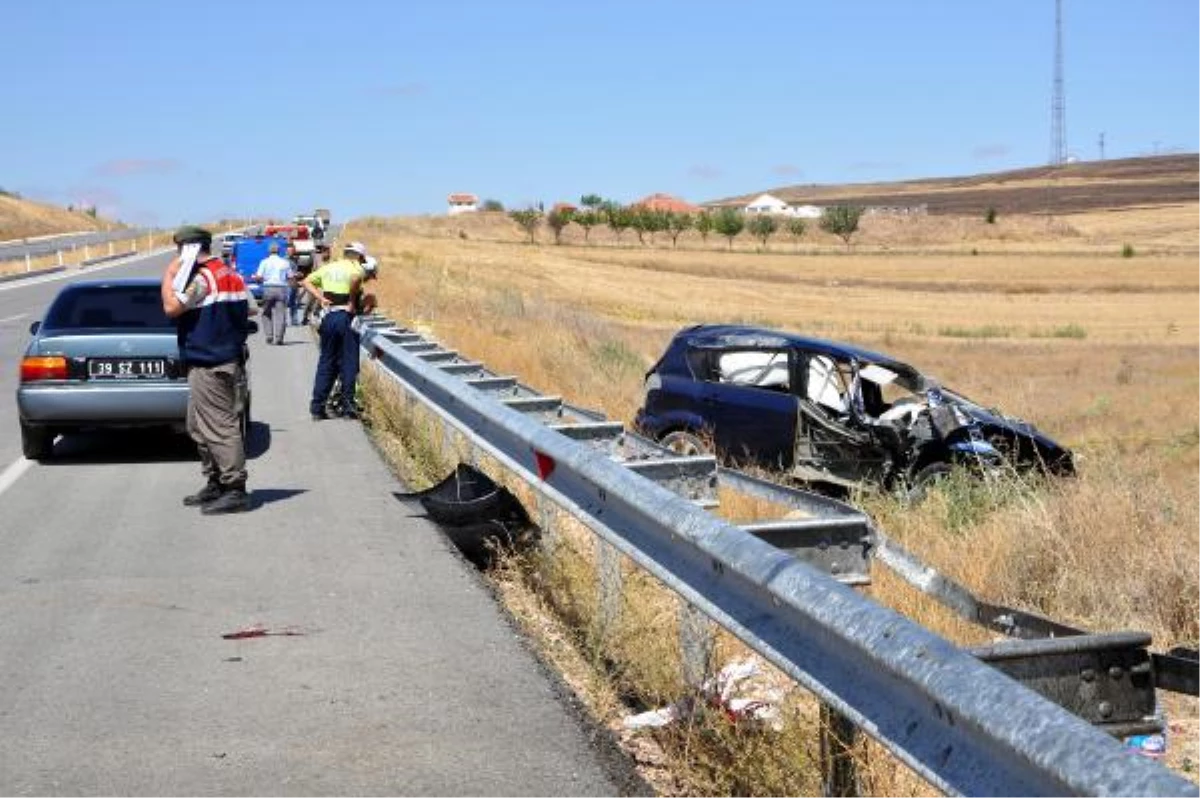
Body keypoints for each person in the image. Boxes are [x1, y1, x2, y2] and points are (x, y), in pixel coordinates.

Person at [160, 225, 253, 514]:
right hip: (219, 358)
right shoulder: (231, 274)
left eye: (179, 250)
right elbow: (250, 309)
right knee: (197, 426)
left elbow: (171, 308)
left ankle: (234, 488)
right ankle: (216, 482)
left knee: (220, 426)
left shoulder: (203, 278)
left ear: (187, 250)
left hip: (211, 362)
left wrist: (170, 274)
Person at [303, 240, 366, 420]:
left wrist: (320, 297)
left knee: (326, 362)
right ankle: (348, 407)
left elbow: (306, 281)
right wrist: (352, 302)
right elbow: (355, 279)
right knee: (349, 363)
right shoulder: (356, 268)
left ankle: (317, 407)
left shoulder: (329, 267)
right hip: (345, 318)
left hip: (328, 317)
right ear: (359, 257)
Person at [253, 242, 293, 344]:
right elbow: (290, 276)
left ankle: (269, 335)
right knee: (280, 313)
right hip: (281, 288)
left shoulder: (264, 262)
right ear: (279, 251)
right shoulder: (285, 262)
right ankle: (279, 338)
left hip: (268, 288)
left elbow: (259, 277)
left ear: (269, 251)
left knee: (266, 312)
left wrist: (256, 278)